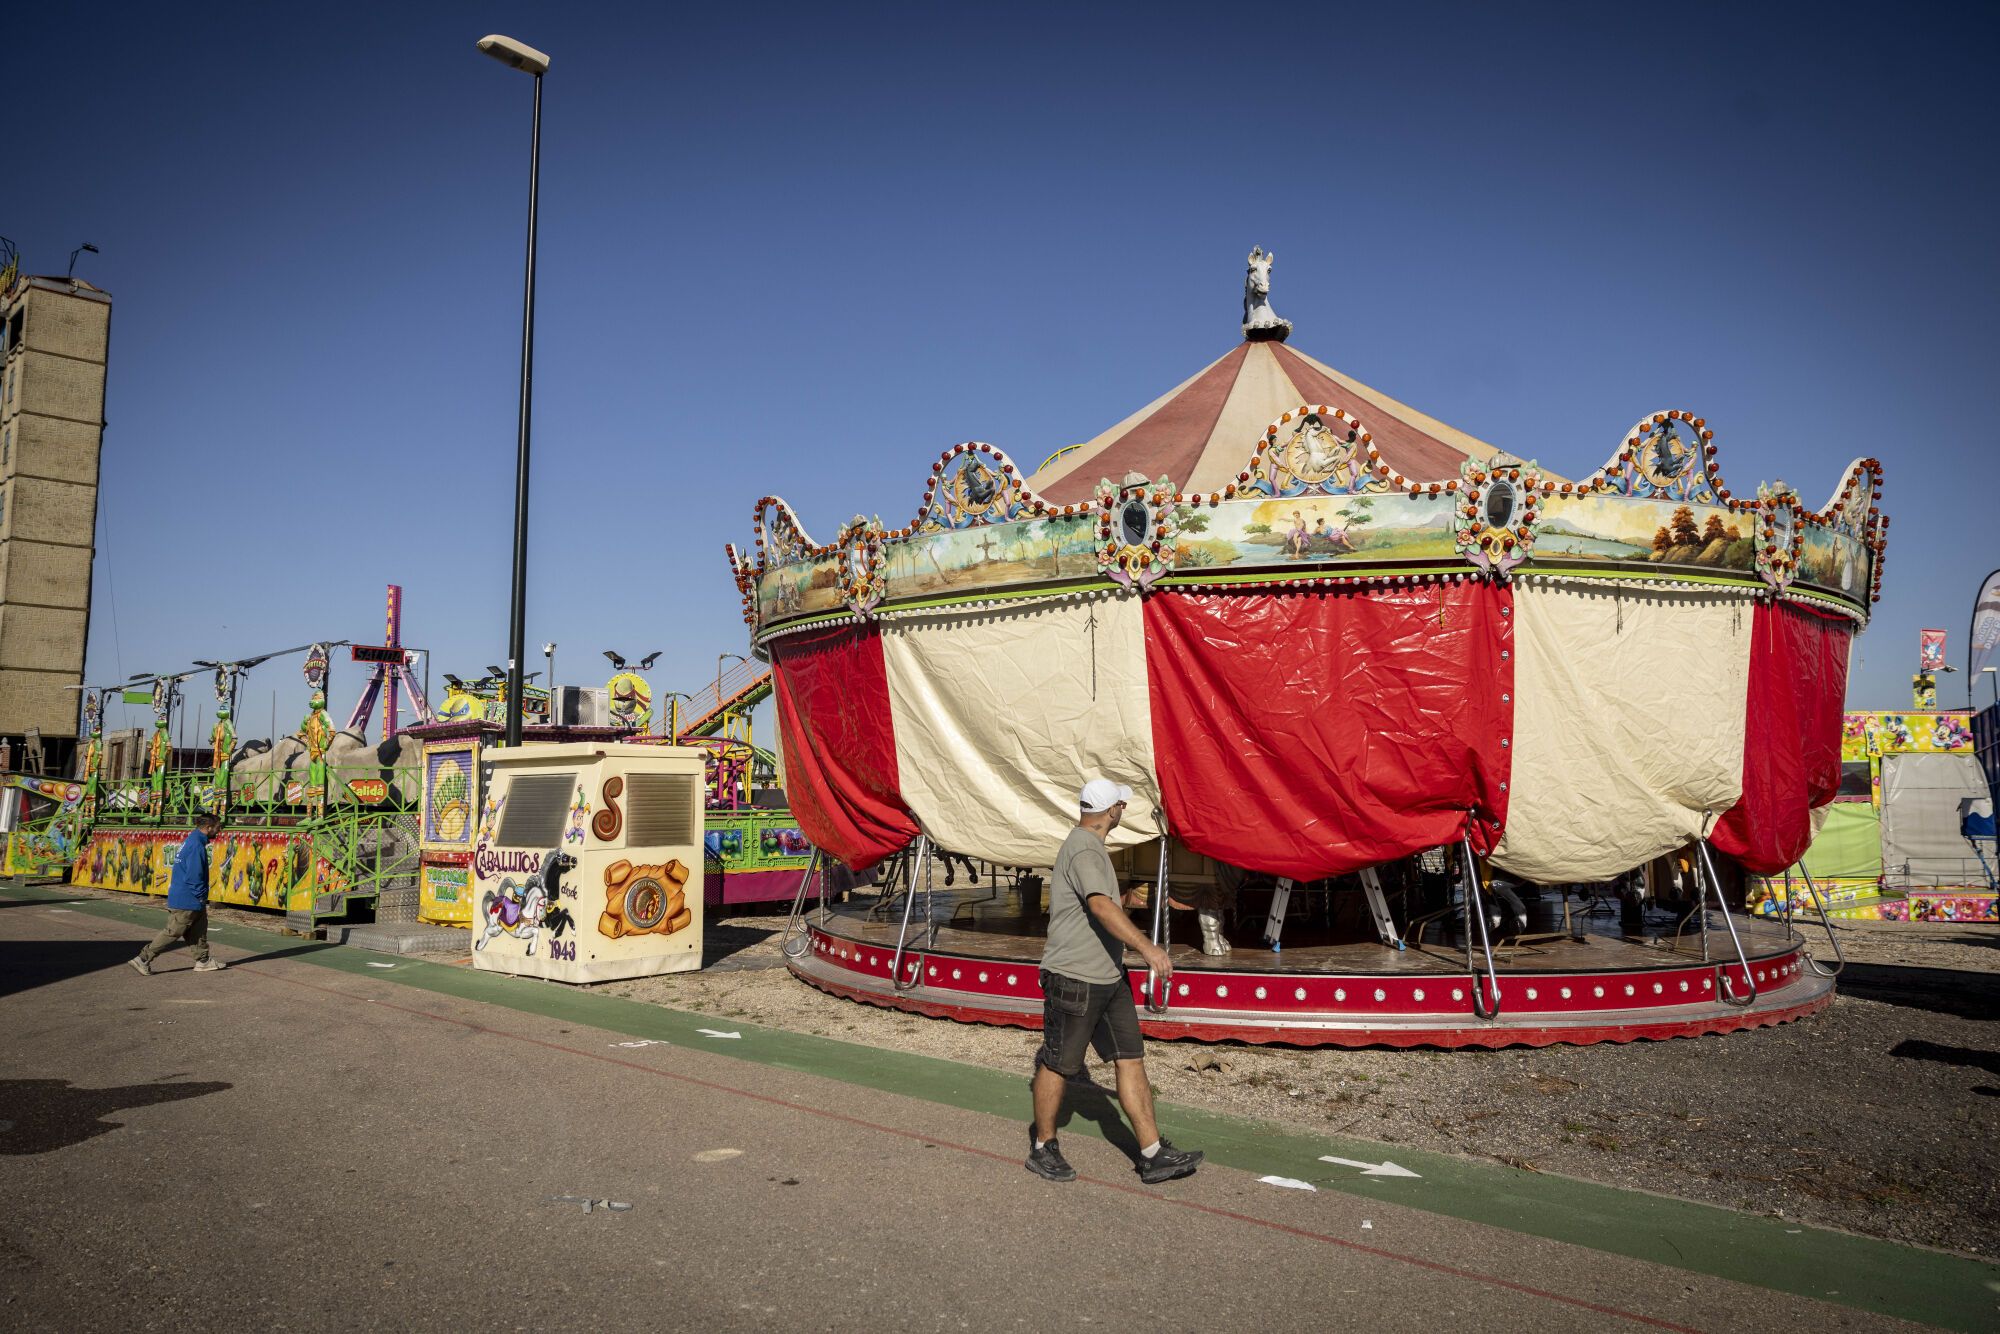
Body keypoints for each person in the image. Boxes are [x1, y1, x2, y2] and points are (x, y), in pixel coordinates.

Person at [1026, 779, 1202, 1185]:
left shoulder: (1092, 848)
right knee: (1057, 1063)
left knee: (1129, 1057)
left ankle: (1153, 1153)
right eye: (1122, 805)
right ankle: (1042, 1147)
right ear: (1113, 810)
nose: (1123, 810)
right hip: (1075, 977)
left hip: (1107, 976)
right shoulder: (1084, 848)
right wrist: (1148, 948)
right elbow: (1100, 905)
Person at [129, 814, 226, 975]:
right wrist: (201, 895)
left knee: (199, 929)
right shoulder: (196, 845)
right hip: (188, 898)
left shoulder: (192, 840)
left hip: (188, 897)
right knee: (174, 931)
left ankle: (203, 960)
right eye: (217, 827)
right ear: (208, 828)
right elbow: (194, 877)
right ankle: (143, 958)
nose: (219, 830)